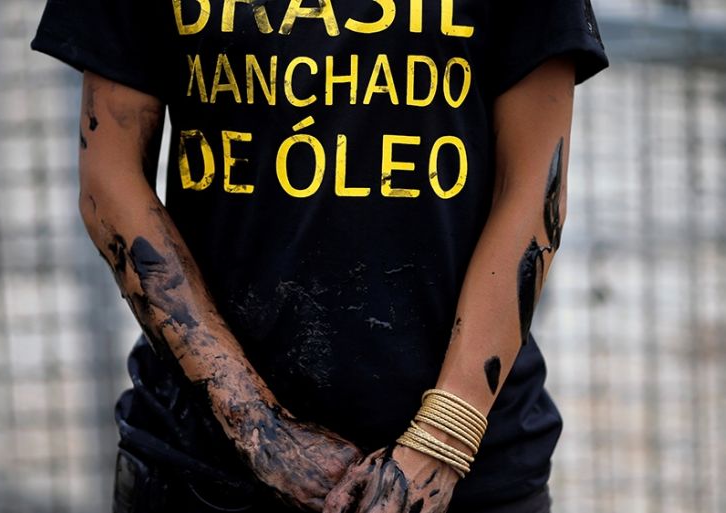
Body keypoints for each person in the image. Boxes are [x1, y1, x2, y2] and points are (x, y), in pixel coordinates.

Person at [32, 1, 607, 511]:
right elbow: (109, 179)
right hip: (203, 467)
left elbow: (532, 190)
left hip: (469, 468)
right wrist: (258, 428)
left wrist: (443, 439)